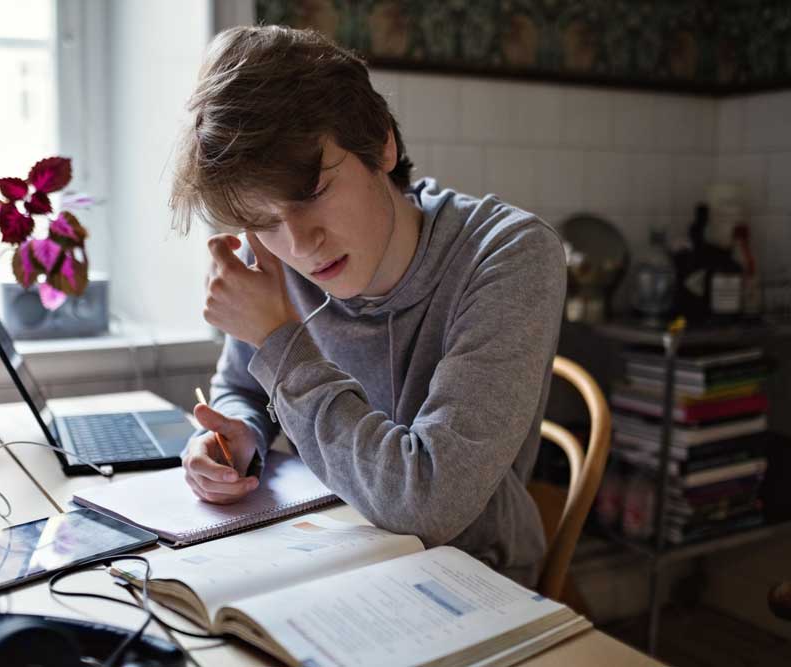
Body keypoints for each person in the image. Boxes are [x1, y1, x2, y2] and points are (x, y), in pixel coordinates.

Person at [169, 25, 566, 587]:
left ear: (382, 144)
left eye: (310, 194)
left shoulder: (510, 253)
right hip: (328, 548)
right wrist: (234, 438)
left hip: (469, 577)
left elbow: (427, 503)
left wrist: (279, 343)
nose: (301, 244)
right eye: (263, 220)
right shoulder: (276, 258)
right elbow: (243, 386)